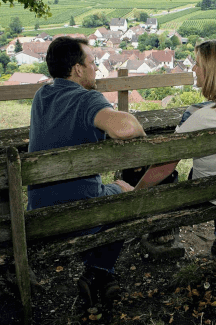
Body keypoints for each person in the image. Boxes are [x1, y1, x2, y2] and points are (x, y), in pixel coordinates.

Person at [27, 36, 146, 306]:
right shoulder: (86, 99)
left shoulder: (42, 96)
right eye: (93, 63)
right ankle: (99, 270)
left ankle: (99, 273)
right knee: (128, 192)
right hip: (80, 211)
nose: (97, 69)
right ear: (78, 69)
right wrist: (139, 136)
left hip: (40, 210)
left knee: (109, 189)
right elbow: (125, 127)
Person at [135, 39, 216, 260]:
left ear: (212, 72)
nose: (193, 69)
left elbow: (164, 167)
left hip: (213, 193)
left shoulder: (197, 115)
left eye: (197, 64)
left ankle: (164, 234)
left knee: (181, 175)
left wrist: (134, 193)